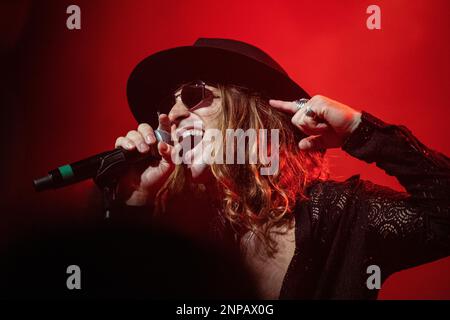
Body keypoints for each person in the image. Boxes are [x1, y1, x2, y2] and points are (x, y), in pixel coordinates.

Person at [113, 38, 450, 299]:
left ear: (252, 115)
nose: (172, 115)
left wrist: (359, 131)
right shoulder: (178, 227)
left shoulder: (340, 217)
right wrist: (136, 198)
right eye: (167, 105)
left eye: (192, 94)